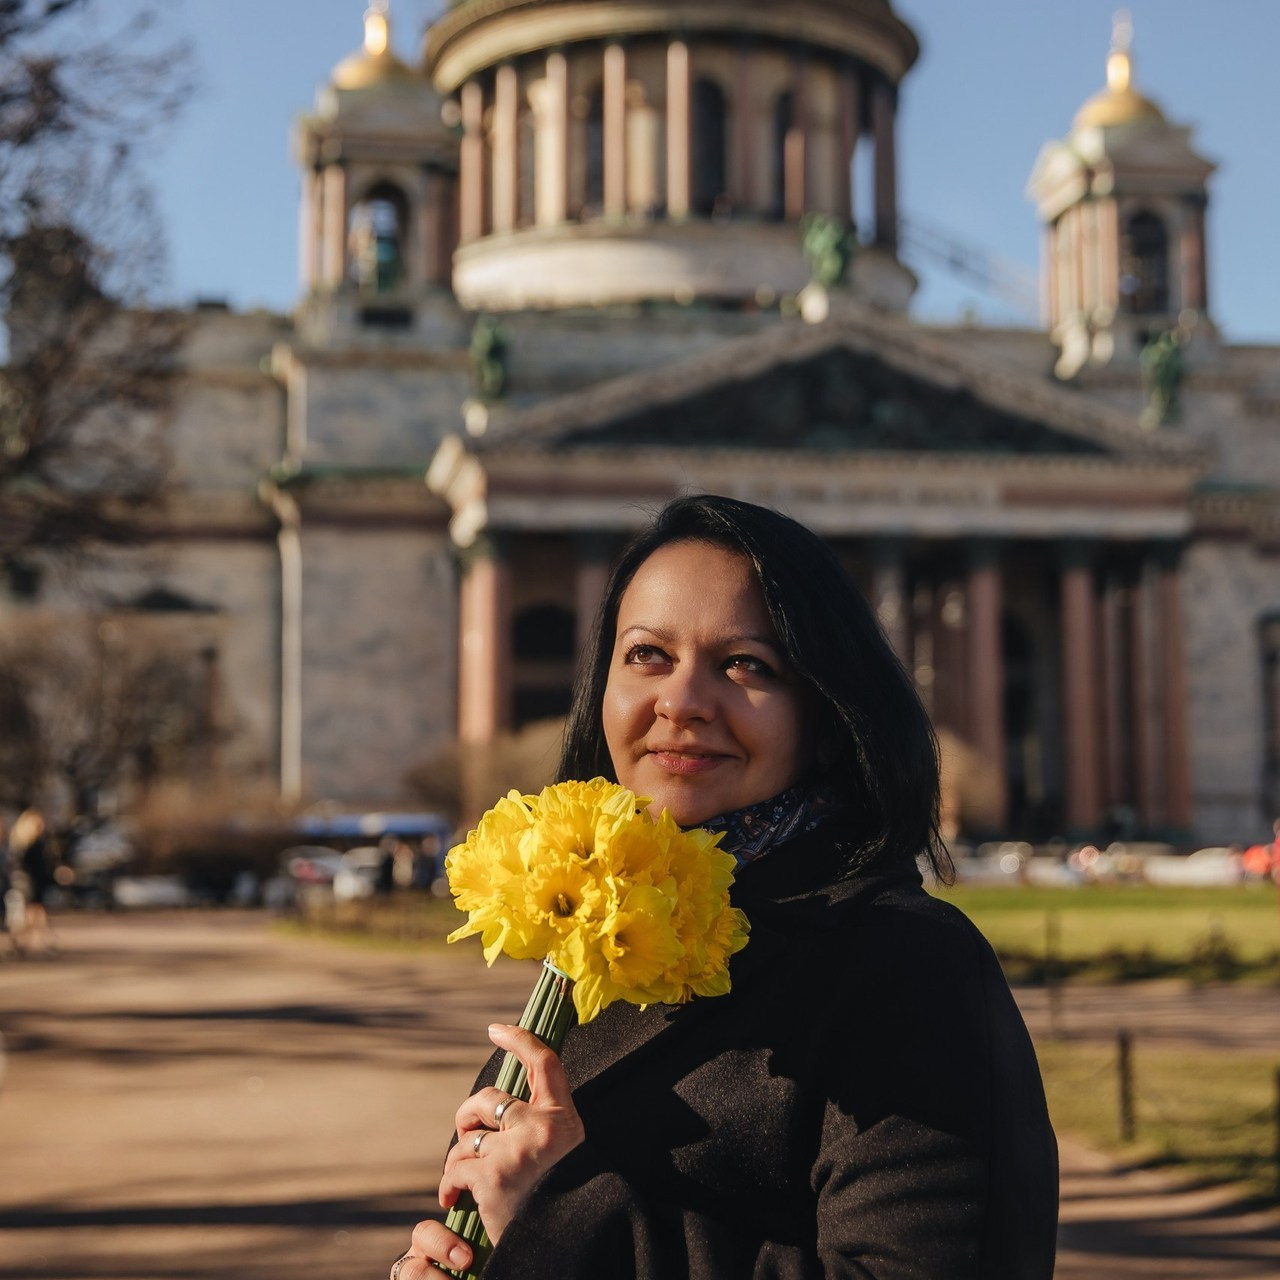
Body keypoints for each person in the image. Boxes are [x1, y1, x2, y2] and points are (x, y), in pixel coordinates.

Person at [395, 495, 1058, 1279]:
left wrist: (559, 1222)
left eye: (746, 664)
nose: (681, 703)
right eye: (647, 655)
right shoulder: (598, 938)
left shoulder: (908, 966)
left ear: (824, 712)